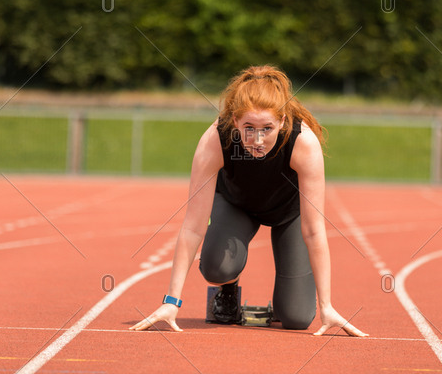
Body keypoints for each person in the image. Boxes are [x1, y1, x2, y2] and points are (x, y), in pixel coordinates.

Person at [130, 65, 367, 337]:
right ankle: (228, 289)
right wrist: (171, 302)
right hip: (236, 205)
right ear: (234, 121)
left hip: (289, 213)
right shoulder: (215, 140)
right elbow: (193, 226)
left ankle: (291, 300)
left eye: (267, 128)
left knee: (298, 318)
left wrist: (327, 305)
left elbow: (314, 231)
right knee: (217, 268)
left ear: (283, 121)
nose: (257, 140)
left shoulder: (303, 143)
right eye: (248, 128)